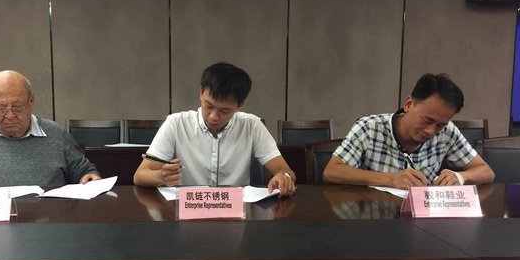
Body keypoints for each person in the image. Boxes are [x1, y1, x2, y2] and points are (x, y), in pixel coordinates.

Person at [133, 62, 296, 196]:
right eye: (209, 106)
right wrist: (161, 176)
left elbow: (286, 171)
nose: (213, 116)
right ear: (201, 93)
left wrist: (284, 176)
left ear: (239, 106)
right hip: (188, 210)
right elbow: (140, 176)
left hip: (235, 213)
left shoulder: (251, 126)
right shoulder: (176, 124)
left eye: (225, 111)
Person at [323, 73, 495, 189]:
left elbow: (486, 171)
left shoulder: (447, 132)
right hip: (376, 220)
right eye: (427, 120)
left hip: (425, 222)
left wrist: (461, 177)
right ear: (409, 104)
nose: (431, 131)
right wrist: (391, 179)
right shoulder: (369, 127)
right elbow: (332, 172)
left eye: (440, 125)